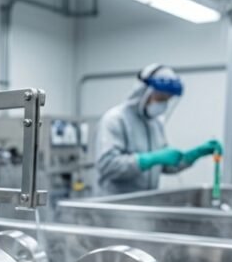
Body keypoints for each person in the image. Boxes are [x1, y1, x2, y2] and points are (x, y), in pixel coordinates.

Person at [93, 64, 222, 196]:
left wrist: (193, 155)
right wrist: (147, 159)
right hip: (115, 206)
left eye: (167, 100)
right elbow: (107, 166)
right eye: (160, 98)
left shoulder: (155, 124)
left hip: (144, 203)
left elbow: (165, 165)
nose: (163, 104)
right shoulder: (115, 120)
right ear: (142, 92)